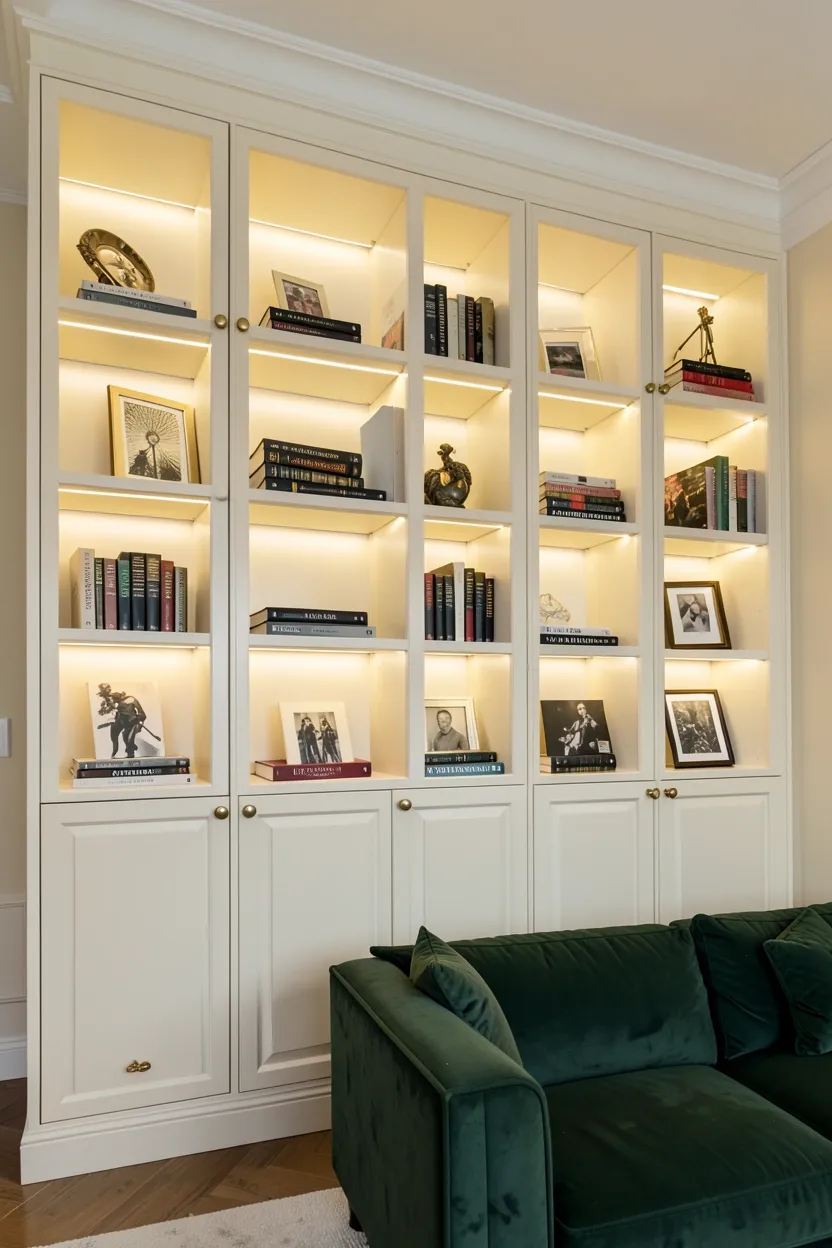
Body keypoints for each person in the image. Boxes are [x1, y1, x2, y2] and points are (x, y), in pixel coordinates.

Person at [95, 687, 151, 759]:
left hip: (131, 722)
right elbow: (105, 711)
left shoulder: (130, 699)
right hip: (120, 721)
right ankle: (114, 754)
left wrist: (139, 721)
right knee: (116, 737)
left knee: (127, 738)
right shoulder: (112, 701)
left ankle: (130, 753)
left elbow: (143, 714)